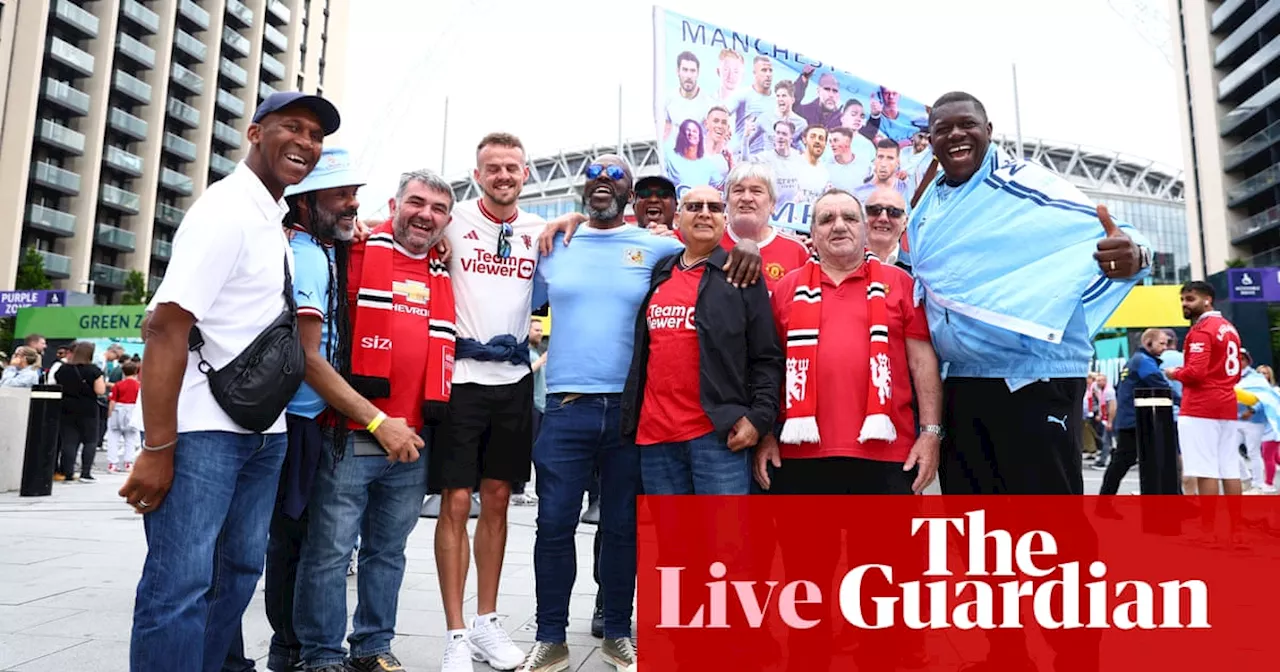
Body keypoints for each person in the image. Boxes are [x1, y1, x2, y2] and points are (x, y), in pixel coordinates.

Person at [121, 90, 339, 671]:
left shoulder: (272, 218)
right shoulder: (225, 211)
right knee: (180, 585)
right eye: (291, 128)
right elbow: (165, 327)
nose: (306, 143)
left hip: (262, 433)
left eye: (316, 137)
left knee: (238, 572)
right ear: (254, 133)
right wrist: (157, 447)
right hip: (201, 434)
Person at [523, 154, 761, 672]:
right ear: (584, 189)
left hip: (632, 413)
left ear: (631, 196)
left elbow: (710, 243)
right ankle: (549, 637)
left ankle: (615, 632)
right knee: (553, 524)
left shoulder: (659, 248)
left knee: (624, 527)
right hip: (565, 407)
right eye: (594, 176)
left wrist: (746, 243)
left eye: (615, 178)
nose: (603, 183)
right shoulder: (552, 243)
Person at [908, 91, 1150, 496]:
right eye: (942, 129)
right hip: (964, 382)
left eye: (966, 124)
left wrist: (1136, 255)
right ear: (930, 141)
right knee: (974, 523)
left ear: (989, 130)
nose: (955, 135)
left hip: (1035, 376)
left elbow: (1117, 234)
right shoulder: (927, 204)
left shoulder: (1025, 184)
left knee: (1047, 524)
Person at [753, 189, 940, 670]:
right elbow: (769, 368)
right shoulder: (785, 287)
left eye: (849, 217)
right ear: (811, 233)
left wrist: (931, 432)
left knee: (882, 587)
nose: (839, 225)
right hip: (801, 462)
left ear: (865, 227)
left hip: (886, 460)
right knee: (805, 586)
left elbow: (922, 360)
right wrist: (768, 434)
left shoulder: (900, 285)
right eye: (826, 218)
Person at [256, 147, 422, 672]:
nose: (352, 204)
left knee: (299, 542)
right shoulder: (306, 255)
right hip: (297, 421)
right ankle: (297, 654)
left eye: (355, 194)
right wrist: (376, 420)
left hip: (312, 422)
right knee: (294, 545)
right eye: (340, 195)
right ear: (304, 203)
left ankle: (295, 652)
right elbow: (308, 360)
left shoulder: (325, 246)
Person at [292, 168, 455, 672]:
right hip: (352, 432)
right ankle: (321, 655)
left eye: (438, 209)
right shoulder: (353, 251)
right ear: (394, 204)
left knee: (388, 552)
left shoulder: (444, 268)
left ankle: (373, 647)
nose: (426, 215)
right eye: (417, 202)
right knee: (330, 551)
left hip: (415, 439)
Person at [431, 132, 545, 672]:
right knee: (456, 503)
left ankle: (486, 622)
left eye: (512, 168)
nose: (503, 176)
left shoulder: (541, 231)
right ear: (477, 175)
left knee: (497, 500)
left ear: (527, 174)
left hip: (514, 380)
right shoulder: (450, 222)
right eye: (492, 168)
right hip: (460, 378)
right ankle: (454, 633)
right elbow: (398, 232)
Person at [623, 184, 783, 495]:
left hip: (718, 436)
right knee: (670, 544)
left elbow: (767, 357)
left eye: (714, 207)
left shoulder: (740, 273)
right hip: (656, 439)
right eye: (695, 207)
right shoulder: (661, 272)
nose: (705, 214)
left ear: (725, 219)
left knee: (723, 543)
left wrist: (759, 418)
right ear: (678, 217)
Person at [1167, 281, 1245, 540]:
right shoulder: (1229, 328)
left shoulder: (1202, 330)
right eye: (1183, 300)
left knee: (1205, 469)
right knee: (1230, 468)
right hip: (1226, 404)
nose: (1185, 304)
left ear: (1207, 300)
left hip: (1200, 405)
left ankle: (1208, 531)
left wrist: (1173, 372)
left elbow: (1195, 373)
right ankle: (1235, 530)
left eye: (1190, 299)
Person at [1099, 329, 1177, 497]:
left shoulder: (1136, 360)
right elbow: (1161, 386)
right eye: (1162, 343)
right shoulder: (1144, 362)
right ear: (1148, 343)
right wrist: (1184, 402)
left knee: (1133, 461)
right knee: (1127, 461)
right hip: (1137, 420)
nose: (1165, 347)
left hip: (1131, 418)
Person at [722, 162, 810, 291]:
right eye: (738, 190)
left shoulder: (797, 251)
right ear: (726, 202)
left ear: (772, 204)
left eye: (756, 191)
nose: (746, 198)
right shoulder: (708, 244)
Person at [54, 342, 106, 482]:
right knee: (90, 441)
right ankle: (86, 473)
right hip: (88, 408)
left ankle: (68, 472)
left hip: (66, 407)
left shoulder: (63, 369)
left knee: (69, 441)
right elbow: (100, 390)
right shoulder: (93, 370)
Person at [513, 319, 548, 507]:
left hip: (541, 405)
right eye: (536, 330)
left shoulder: (536, 352)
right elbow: (525, 373)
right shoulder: (526, 352)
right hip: (530, 405)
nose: (540, 333)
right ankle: (518, 490)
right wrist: (541, 361)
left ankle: (523, 489)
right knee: (527, 448)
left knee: (537, 449)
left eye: (541, 330)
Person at [105, 359, 142, 473]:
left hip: (118, 410)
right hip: (132, 410)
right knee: (130, 438)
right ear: (136, 372)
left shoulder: (118, 385)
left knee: (113, 438)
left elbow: (112, 401)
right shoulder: (139, 386)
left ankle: (112, 463)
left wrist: (109, 414)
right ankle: (128, 463)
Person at [863, 187, 910, 270]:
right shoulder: (841, 263)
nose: (883, 218)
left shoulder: (918, 270)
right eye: (875, 210)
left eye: (893, 212)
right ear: (863, 217)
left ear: (905, 223)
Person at [852, 139, 910, 204]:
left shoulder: (907, 190)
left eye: (890, 158)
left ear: (898, 162)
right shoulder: (859, 193)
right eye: (880, 157)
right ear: (874, 160)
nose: (883, 164)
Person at [792, 65, 842, 131]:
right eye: (827, 89)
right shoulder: (804, 112)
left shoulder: (843, 120)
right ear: (818, 91)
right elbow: (791, 103)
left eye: (835, 91)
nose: (831, 95)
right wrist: (803, 80)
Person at [1086, 373, 1116, 469]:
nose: (1097, 382)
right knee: (1109, 440)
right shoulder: (1102, 391)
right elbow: (1101, 405)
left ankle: (1102, 461)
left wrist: (1110, 421)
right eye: (1097, 380)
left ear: (1105, 381)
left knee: (1106, 440)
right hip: (1106, 418)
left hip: (1110, 418)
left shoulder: (1109, 392)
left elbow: (1112, 407)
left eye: (1100, 380)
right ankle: (1106, 459)